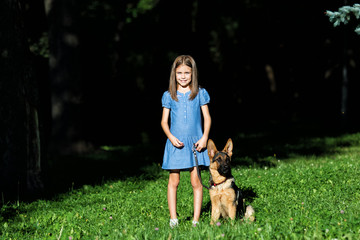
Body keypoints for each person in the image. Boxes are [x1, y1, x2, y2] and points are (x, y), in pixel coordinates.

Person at [161, 55, 211, 227]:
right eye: (179, 73)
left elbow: (207, 118)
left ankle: (196, 221)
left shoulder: (199, 93)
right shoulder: (169, 95)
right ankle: (173, 219)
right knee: (173, 181)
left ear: (193, 74)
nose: (183, 76)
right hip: (176, 143)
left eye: (187, 73)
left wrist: (204, 137)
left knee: (196, 182)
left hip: (195, 144)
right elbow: (163, 121)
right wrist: (171, 137)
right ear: (174, 74)